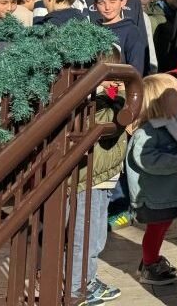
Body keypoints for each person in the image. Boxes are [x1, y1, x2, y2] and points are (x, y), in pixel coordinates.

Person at [72, 78, 129, 305]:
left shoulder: (108, 97)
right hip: (90, 181)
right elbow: (106, 126)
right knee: (85, 237)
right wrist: (116, 98)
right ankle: (77, 287)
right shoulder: (94, 101)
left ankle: (87, 280)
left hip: (103, 178)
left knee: (95, 237)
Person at [126, 73, 177, 286]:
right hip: (153, 197)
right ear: (161, 100)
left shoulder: (171, 123)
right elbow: (148, 160)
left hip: (166, 195)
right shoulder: (147, 132)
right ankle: (150, 264)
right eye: (176, 91)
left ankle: (151, 259)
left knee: (161, 227)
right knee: (155, 229)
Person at [95, 0, 148, 75]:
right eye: (101, 3)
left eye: (112, 1)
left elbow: (136, 68)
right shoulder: (93, 30)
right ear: (95, 5)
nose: (107, 7)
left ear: (123, 2)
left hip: (120, 86)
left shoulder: (131, 31)